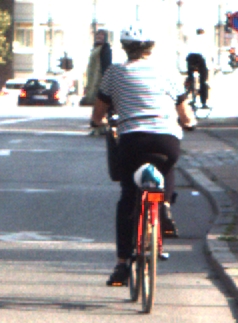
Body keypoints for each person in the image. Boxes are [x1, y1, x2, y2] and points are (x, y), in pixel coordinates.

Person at [91, 25, 194, 287]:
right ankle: (164, 205)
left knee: (128, 196)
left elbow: (99, 110)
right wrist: (190, 123)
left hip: (132, 140)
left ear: (125, 48)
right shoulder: (167, 72)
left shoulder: (115, 72)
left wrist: (96, 122)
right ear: (152, 47)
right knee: (166, 167)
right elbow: (185, 113)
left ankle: (122, 264)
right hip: (166, 139)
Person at [79, 29, 112, 108]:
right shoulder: (94, 49)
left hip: (99, 81)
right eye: (98, 34)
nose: (99, 36)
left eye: (102, 35)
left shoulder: (105, 49)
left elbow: (106, 66)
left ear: (105, 37)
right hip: (92, 81)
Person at [184, 36, 209, 111]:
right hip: (200, 58)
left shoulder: (191, 38)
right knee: (203, 81)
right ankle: (203, 102)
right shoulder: (205, 39)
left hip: (190, 58)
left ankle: (189, 96)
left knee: (190, 78)